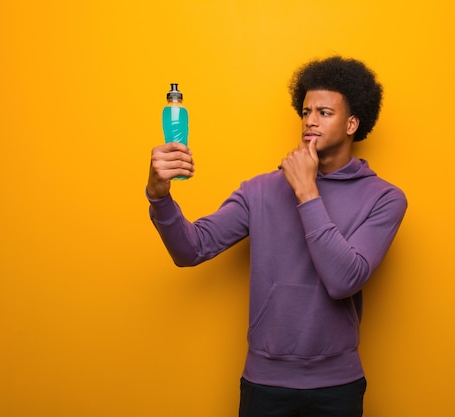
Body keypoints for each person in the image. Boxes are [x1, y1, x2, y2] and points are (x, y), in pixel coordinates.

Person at [146, 56, 407, 417]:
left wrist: (306, 192)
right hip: (265, 382)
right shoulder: (261, 190)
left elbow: (344, 280)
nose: (310, 120)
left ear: (352, 123)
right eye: (305, 111)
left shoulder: (384, 198)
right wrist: (159, 196)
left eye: (325, 112)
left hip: (338, 386)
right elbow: (191, 249)